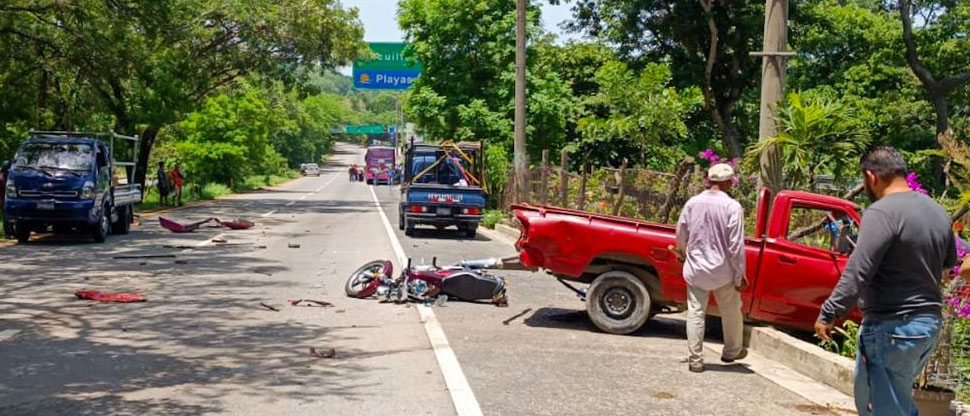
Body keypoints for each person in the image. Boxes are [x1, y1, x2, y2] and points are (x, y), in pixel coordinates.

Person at [816, 147, 956, 416]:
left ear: (871, 176)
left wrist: (829, 312)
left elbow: (859, 269)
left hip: (893, 326)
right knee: (885, 404)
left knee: (886, 409)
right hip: (927, 325)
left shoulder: (881, 212)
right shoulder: (937, 212)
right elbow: (948, 264)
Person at [674, 163, 747, 373]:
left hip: (696, 269)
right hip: (723, 271)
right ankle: (732, 351)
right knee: (731, 310)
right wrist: (740, 274)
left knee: (696, 313)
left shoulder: (693, 202)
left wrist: (685, 254)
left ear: (709, 180)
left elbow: (681, 234)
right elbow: (736, 245)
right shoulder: (732, 207)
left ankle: (695, 359)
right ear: (728, 182)